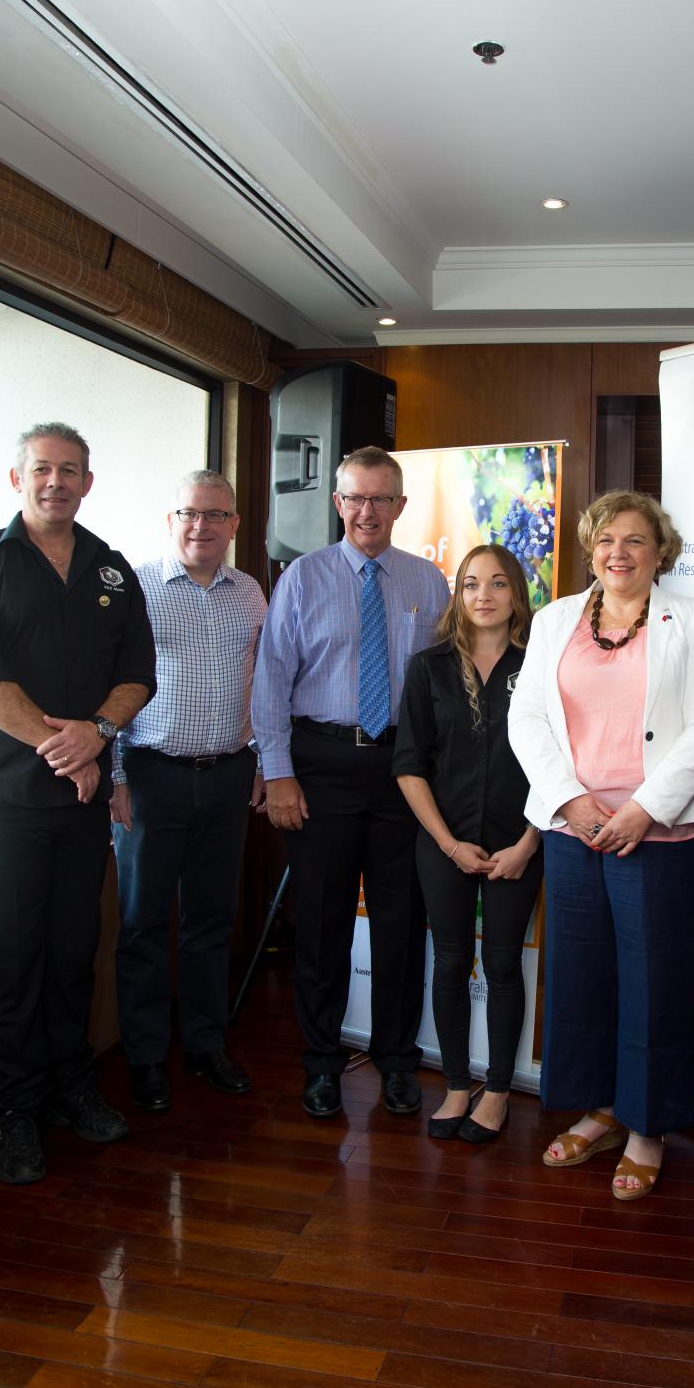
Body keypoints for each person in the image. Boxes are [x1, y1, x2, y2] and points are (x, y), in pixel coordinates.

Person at [0, 422, 155, 1185]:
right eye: (41, 469)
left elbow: (137, 676)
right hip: (2, 801)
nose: (55, 481)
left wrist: (96, 736)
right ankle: (16, 1113)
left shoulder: (112, 570)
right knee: (8, 959)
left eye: (69, 471)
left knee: (70, 955)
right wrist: (66, 752)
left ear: (88, 482)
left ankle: (72, 1089)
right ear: (16, 479)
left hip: (81, 801)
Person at [508, 490, 694, 1199]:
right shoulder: (553, 620)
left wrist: (643, 809)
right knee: (583, 977)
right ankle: (600, 1106)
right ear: (590, 548)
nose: (619, 553)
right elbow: (527, 718)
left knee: (654, 983)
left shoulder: (690, 619)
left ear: (660, 551)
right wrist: (571, 803)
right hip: (574, 828)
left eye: (635, 541)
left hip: (660, 833)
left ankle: (646, 1128)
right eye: (606, 540)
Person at [252, 445, 450, 1119]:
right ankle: (321, 1063)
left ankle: (398, 1061)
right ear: (338, 503)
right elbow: (271, 680)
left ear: (400, 506)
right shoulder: (302, 579)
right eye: (355, 498)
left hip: (402, 774)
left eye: (380, 499)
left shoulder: (429, 583)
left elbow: (441, 690)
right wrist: (277, 773)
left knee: (402, 923)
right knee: (322, 925)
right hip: (320, 768)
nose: (367, 511)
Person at [110, 470, 268, 1112]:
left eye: (215, 515)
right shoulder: (137, 589)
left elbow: (263, 682)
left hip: (227, 776)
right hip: (150, 777)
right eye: (189, 514)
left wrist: (262, 760)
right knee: (143, 924)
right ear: (169, 520)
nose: (201, 526)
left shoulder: (251, 593)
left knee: (211, 920)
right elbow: (112, 684)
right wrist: (116, 777)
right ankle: (146, 1059)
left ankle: (206, 1044)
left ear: (234, 524)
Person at [393, 544, 542, 1143]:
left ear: (518, 595)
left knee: (504, 965)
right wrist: (449, 844)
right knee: (451, 961)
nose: (484, 595)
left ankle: (499, 1090)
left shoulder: (540, 667)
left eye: (498, 583)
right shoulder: (427, 668)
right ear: (457, 594)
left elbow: (560, 766)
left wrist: (530, 843)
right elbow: (409, 766)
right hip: (442, 842)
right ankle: (457, 1084)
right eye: (471, 583)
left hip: (519, 845)